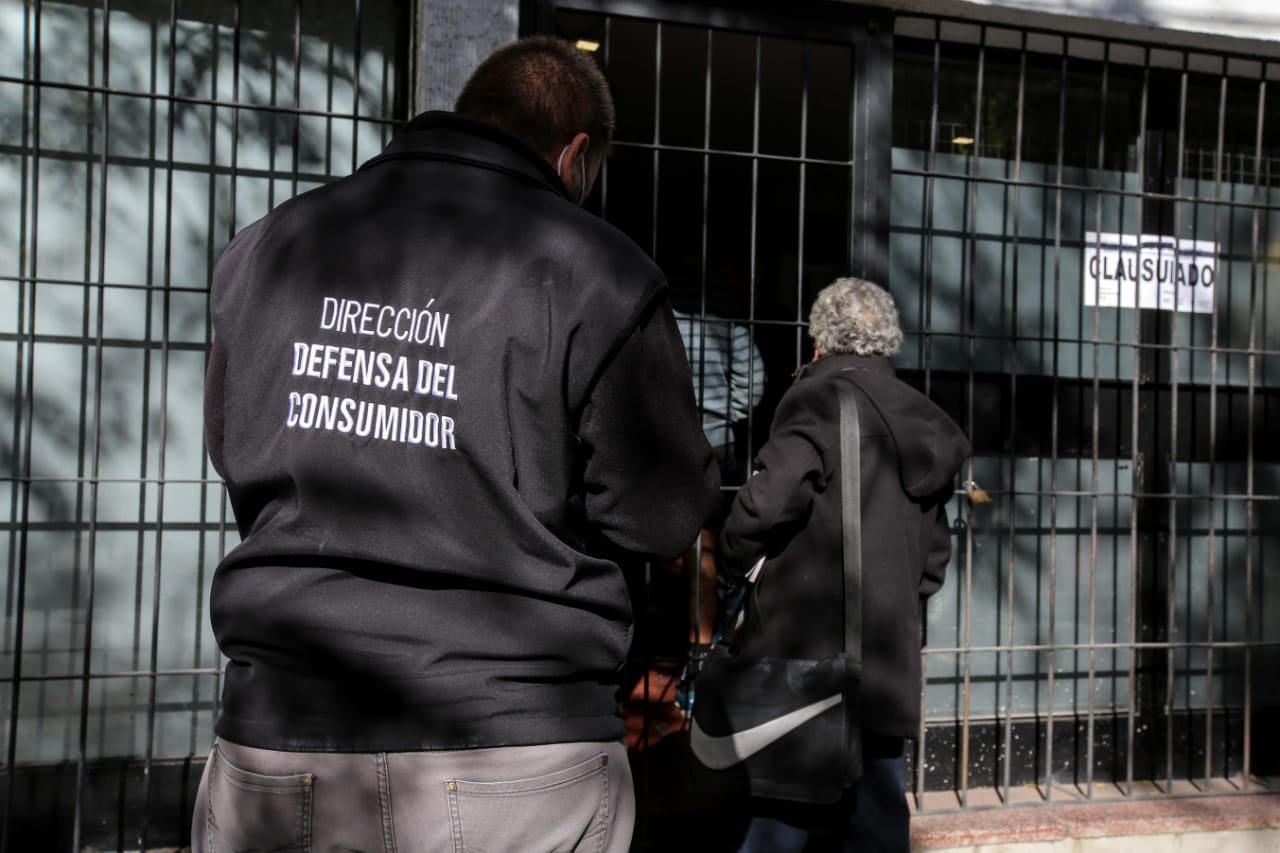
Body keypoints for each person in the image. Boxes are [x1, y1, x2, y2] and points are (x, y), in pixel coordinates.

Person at [193, 35, 719, 853]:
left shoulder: (270, 245)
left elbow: (232, 446)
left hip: (283, 728)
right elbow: (660, 516)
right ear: (575, 155)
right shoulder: (600, 273)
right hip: (516, 748)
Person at [717, 277, 970, 852]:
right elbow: (933, 562)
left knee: (781, 819)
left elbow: (765, 505)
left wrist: (733, 560)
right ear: (887, 345)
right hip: (884, 659)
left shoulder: (817, 400)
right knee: (877, 817)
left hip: (807, 656)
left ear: (818, 345)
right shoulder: (924, 421)